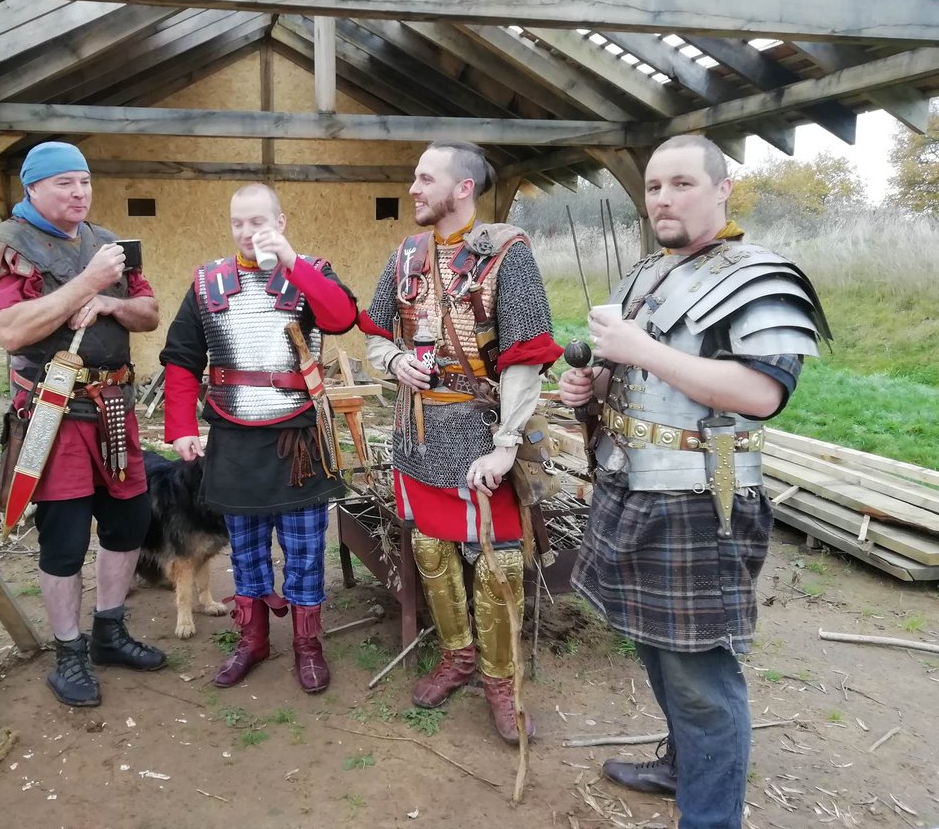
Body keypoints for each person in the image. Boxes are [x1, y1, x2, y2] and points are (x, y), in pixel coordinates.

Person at [558, 135, 831, 828]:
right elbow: (636, 378)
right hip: (633, 486)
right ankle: (682, 766)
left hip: (702, 500)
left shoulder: (757, 273)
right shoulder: (646, 277)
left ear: (721, 190)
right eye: (653, 187)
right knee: (657, 647)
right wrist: (589, 385)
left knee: (702, 677)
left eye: (681, 184)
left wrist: (641, 349)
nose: (663, 199)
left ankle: (710, 820)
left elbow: (762, 393)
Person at [359, 141, 563, 741]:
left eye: (425, 179)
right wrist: (395, 359)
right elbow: (373, 334)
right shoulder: (404, 257)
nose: (413, 189)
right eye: (413, 179)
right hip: (419, 434)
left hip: (483, 433)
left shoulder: (507, 256)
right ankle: (458, 654)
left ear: (463, 188)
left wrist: (505, 444)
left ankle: (502, 680)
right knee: (430, 549)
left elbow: (526, 361)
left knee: (499, 559)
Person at [0, 141, 166, 708]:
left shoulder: (108, 244)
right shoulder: (6, 246)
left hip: (116, 406)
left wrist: (111, 305)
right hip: (53, 414)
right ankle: (69, 651)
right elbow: (8, 330)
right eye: (64, 183)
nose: (79, 192)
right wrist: (87, 285)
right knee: (65, 537)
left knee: (129, 523)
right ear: (32, 188)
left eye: (84, 182)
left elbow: (149, 313)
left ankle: (109, 631)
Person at [159, 183, 357, 693]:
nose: (247, 233)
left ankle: (307, 645)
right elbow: (181, 356)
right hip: (234, 437)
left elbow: (340, 317)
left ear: (281, 222)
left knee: (306, 550)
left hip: (298, 439)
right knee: (244, 551)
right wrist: (181, 426)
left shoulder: (311, 272)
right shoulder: (208, 283)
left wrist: (292, 262)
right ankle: (253, 640)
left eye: (258, 222)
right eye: (238, 223)